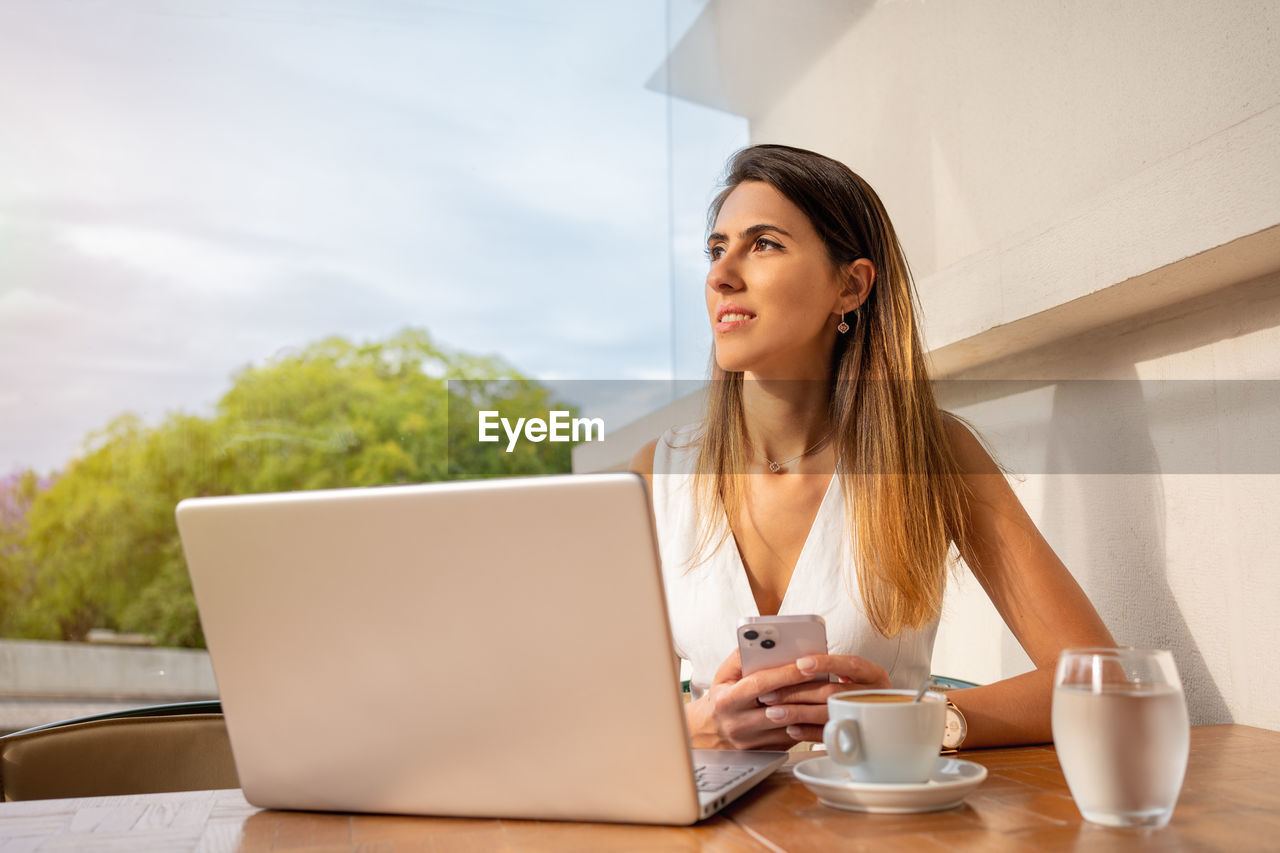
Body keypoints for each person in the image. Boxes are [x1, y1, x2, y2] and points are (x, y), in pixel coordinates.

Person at [630, 144, 1114, 751]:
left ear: (851, 287)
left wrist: (909, 718)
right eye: (716, 248)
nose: (720, 274)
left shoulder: (933, 455)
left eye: (764, 244)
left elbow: (1101, 682)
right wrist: (702, 724)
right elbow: (592, 714)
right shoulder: (657, 476)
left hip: (886, 826)